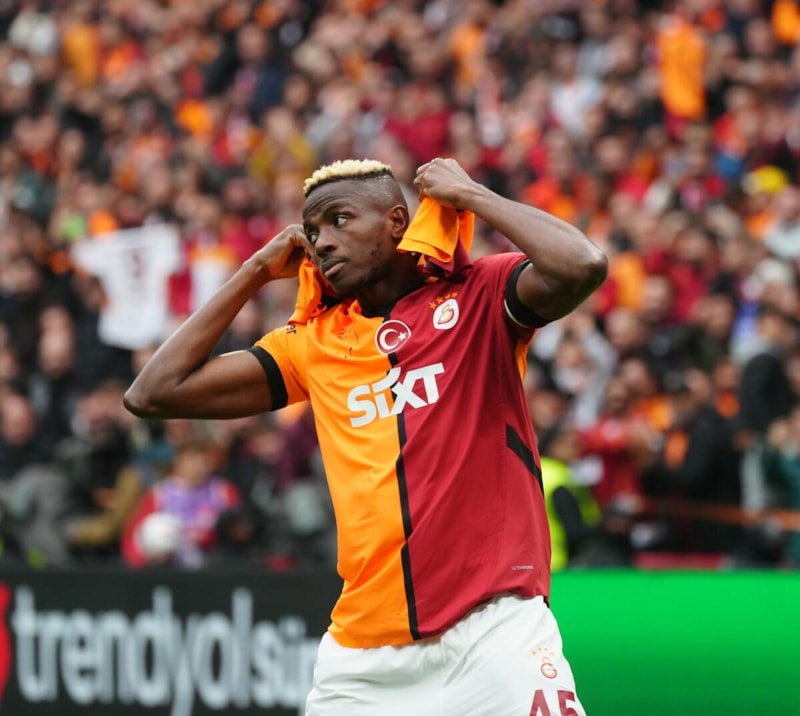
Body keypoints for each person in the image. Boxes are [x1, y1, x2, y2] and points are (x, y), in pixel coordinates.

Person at [124, 157, 607, 715]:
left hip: (493, 631)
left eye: (340, 220)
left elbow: (582, 265)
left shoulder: (479, 297)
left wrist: (471, 193)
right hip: (363, 658)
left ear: (397, 222)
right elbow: (153, 393)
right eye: (312, 232)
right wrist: (255, 270)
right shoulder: (311, 343)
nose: (323, 241)